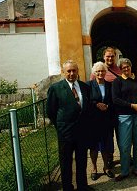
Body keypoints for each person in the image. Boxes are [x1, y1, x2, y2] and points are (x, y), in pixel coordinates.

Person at [46, 60, 93, 191]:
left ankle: (82, 186)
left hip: (82, 132)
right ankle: (67, 187)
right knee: (66, 162)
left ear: (77, 71)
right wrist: (60, 127)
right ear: (63, 72)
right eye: (69, 71)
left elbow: (86, 108)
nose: (72, 73)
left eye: (74, 70)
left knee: (82, 160)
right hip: (65, 133)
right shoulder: (55, 88)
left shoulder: (85, 87)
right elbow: (51, 111)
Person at [112, 58, 137, 181]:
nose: (125, 69)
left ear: (131, 66)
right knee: (124, 145)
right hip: (124, 116)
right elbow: (115, 99)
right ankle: (124, 171)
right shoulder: (117, 81)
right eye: (123, 68)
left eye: (127, 66)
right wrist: (132, 106)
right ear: (120, 69)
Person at [90, 47, 121, 168]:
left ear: (115, 57)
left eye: (112, 56)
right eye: (108, 56)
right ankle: (108, 159)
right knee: (105, 137)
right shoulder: (98, 70)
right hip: (102, 113)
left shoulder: (119, 71)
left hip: (116, 109)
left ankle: (120, 156)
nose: (110, 58)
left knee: (117, 135)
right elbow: (92, 91)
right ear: (104, 57)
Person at [86, 62, 115, 181]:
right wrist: (96, 104)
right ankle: (94, 168)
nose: (100, 73)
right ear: (94, 72)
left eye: (102, 71)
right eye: (97, 71)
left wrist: (108, 106)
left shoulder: (109, 85)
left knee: (105, 145)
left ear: (105, 72)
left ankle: (106, 167)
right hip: (93, 121)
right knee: (93, 146)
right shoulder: (88, 85)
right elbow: (86, 101)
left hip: (106, 120)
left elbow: (114, 100)